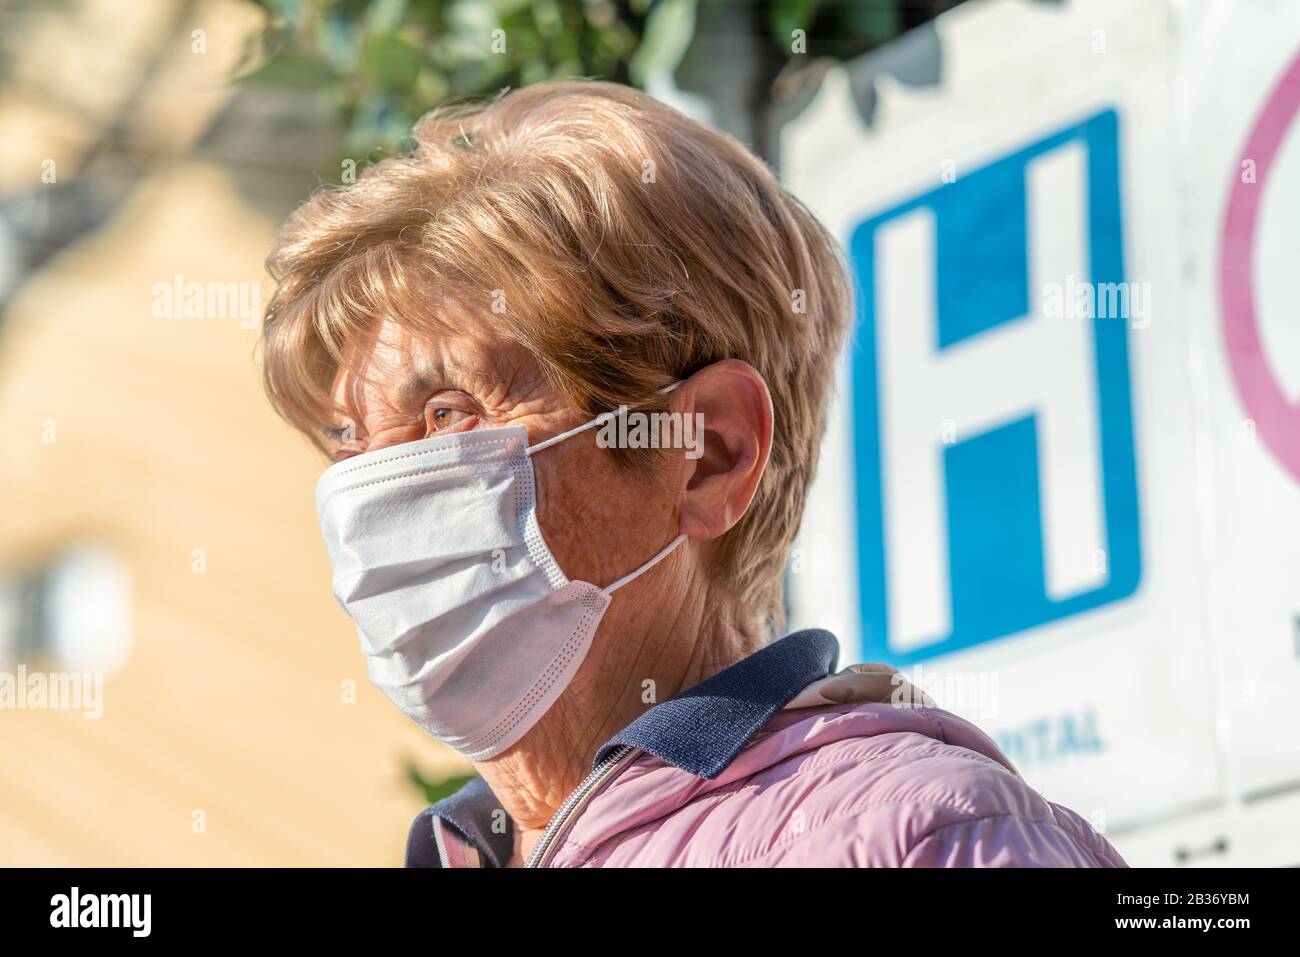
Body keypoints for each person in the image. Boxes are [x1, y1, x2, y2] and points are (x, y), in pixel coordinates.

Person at [260, 79, 1127, 868]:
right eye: (349, 439)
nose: (373, 494)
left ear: (709, 454)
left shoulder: (930, 838)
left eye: (448, 414)